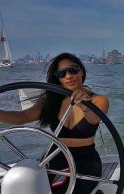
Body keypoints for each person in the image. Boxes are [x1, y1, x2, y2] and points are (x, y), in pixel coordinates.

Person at [0, 52, 109, 194]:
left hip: (86, 161)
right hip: (54, 158)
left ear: (81, 71)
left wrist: (84, 102)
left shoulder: (98, 101)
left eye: (73, 70)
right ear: (58, 79)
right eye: (62, 73)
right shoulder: (50, 101)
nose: (68, 76)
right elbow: (23, 116)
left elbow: (94, 118)